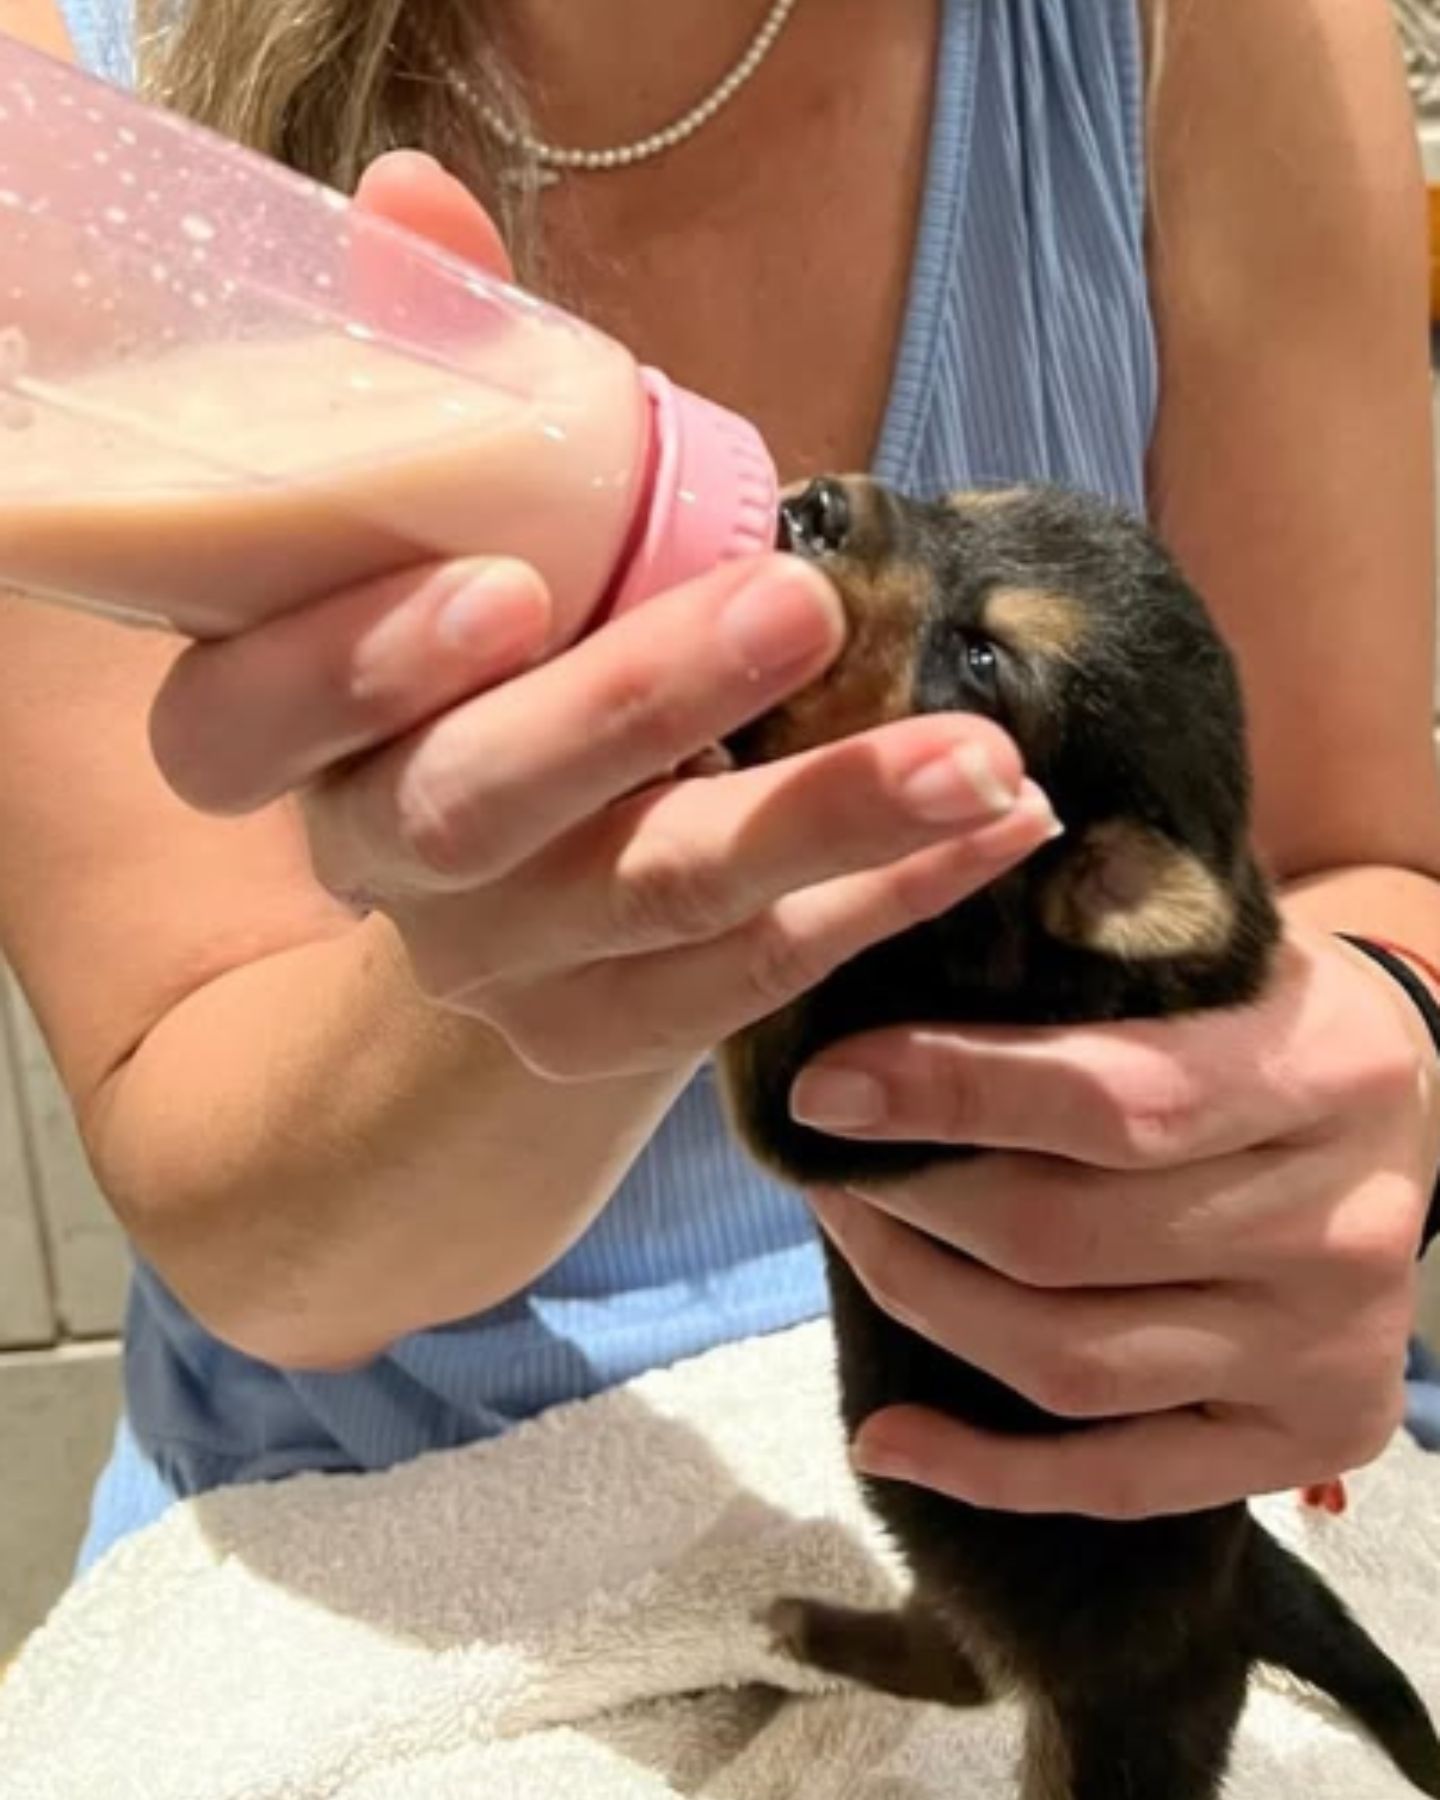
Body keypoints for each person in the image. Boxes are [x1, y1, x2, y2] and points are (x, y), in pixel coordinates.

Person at [0, 0, 1436, 1572]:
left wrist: (1370, 1082)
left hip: (1129, 1427)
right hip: (382, 1486)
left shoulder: (1230, 30)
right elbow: (269, 1254)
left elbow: (1361, 870)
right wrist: (567, 946)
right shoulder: (61, 109)